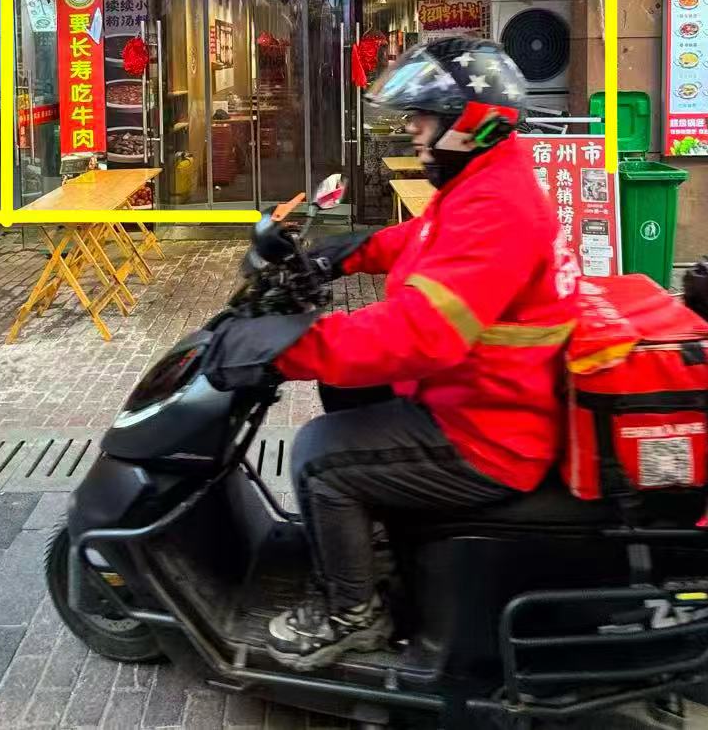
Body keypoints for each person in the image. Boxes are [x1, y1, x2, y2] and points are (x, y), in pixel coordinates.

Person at [222, 37, 579, 671]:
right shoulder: (489, 180)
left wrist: (287, 348)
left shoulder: (498, 207)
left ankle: (352, 613)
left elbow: (420, 335)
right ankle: (376, 544)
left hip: (489, 433)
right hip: (480, 395)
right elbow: (429, 236)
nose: (413, 128)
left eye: (425, 117)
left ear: (469, 125)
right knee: (350, 393)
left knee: (318, 455)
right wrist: (348, 251)